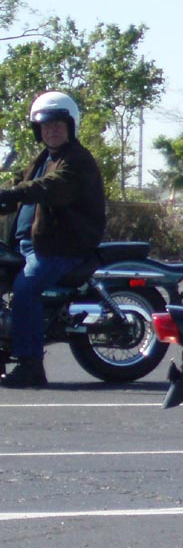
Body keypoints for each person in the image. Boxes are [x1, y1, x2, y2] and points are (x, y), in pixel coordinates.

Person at [0, 91, 106, 388]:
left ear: (71, 126)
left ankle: (30, 364)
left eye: (58, 124)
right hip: (29, 245)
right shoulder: (43, 158)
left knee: (26, 288)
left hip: (60, 246)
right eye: (46, 126)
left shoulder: (77, 161)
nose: (52, 130)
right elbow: (20, 188)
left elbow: (47, 187)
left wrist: (10, 194)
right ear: (38, 130)